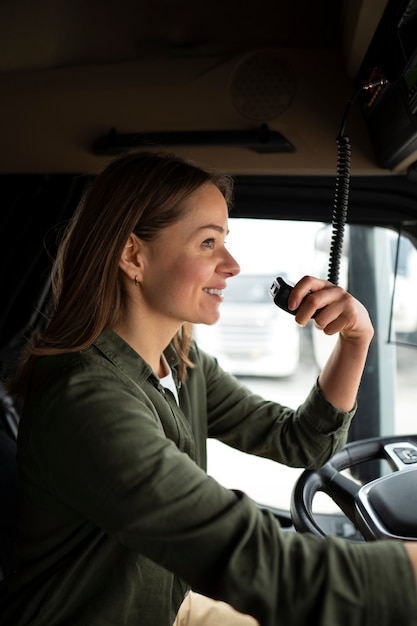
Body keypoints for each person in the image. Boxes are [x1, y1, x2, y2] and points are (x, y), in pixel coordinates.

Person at [1, 150, 417, 626]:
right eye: (207, 243)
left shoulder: (181, 363)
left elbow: (302, 442)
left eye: (225, 241)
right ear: (134, 256)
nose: (233, 264)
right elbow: (242, 555)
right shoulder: (88, 401)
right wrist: (404, 579)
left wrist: (356, 339)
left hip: (169, 605)